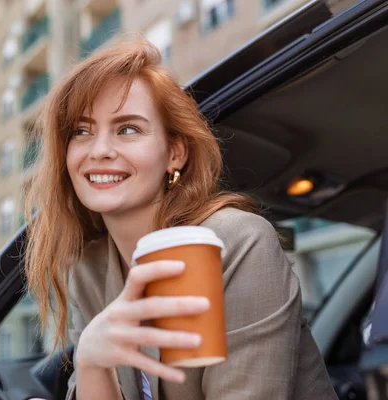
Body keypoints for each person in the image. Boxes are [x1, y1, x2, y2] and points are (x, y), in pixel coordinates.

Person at [24, 40, 337, 399]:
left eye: (128, 129)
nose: (99, 151)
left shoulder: (236, 242)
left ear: (175, 153)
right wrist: (92, 363)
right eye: (81, 131)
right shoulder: (88, 271)